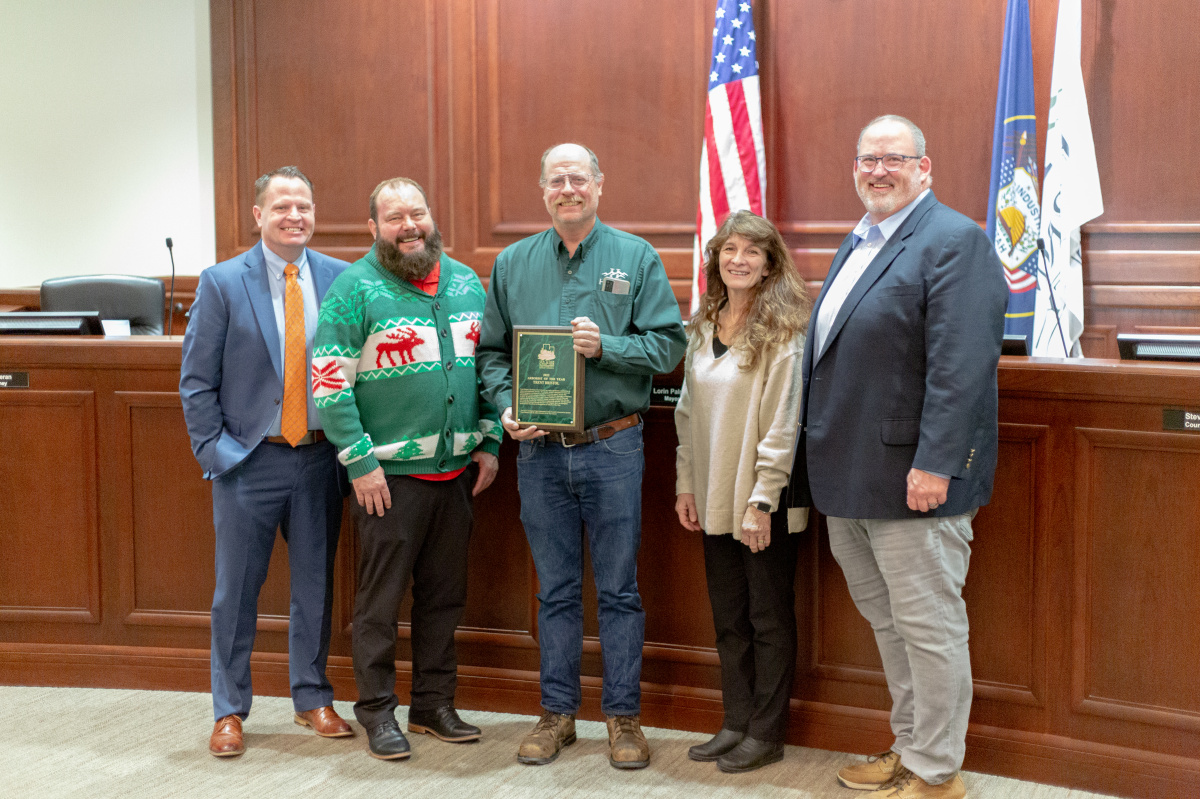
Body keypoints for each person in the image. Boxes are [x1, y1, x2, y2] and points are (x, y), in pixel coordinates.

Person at [788, 116, 1006, 799]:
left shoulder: (953, 240)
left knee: (931, 629)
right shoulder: (861, 240)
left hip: (915, 480)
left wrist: (937, 462)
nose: (878, 170)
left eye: (894, 159)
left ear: (925, 167)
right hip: (850, 478)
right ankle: (914, 747)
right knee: (892, 626)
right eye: (868, 159)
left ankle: (938, 772)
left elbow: (961, 368)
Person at [477, 143, 686, 769]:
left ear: (599, 185)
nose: (568, 189)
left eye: (579, 178)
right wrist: (507, 405)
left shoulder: (635, 257)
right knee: (556, 591)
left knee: (620, 590)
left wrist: (609, 348)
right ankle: (557, 715)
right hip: (538, 456)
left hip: (613, 446)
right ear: (543, 191)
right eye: (556, 180)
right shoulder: (512, 264)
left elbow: (669, 346)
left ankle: (623, 719)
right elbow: (490, 354)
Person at [312, 178, 501, 760]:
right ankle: (376, 711)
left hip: (456, 476)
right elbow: (327, 382)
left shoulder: (469, 282)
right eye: (394, 217)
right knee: (380, 602)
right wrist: (360, 462)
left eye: (416, 213)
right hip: (387, 481)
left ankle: (432, 705)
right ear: (373, 228)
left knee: (444, 600)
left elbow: (490, 364)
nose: (409, 225)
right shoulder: (354, 288)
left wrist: (490, 438)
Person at [180, 166, 352, 757]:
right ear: (259, 215)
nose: (294, 216)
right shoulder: (223, 282)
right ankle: (229, 710)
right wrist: (216, 454)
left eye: (303, 206)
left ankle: (312, 697)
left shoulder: (342, 278)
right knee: (237, 592)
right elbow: (197, 382)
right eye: (282, 207)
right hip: (249, 462)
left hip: (319, 460)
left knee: (315, 586)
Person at [674, 210, 812, 773]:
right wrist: (686, 485)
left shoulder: (786, 335)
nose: (739, 260)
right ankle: (735, 721)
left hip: (764, 504)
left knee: (768, 619)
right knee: (729, 618)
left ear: (770, 263)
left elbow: (785, 425)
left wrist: (763, 501)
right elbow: (686, 414)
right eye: (729, 250)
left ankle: (766, 731)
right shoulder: (702, 327)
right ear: (716, 261)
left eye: (752, 252)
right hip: (712, 498)